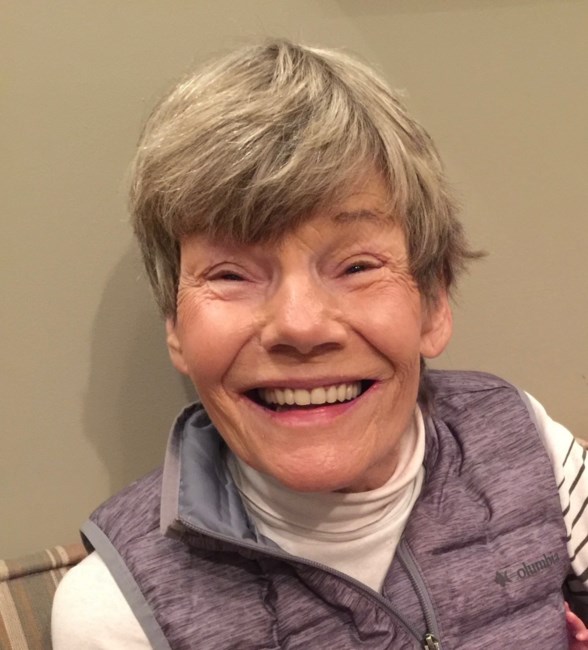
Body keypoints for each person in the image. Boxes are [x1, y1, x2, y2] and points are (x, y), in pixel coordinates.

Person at [52, 40, 588, 649]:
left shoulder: (524, 439)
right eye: (231, 274)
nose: (300, 325)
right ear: (175, 325)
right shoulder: (115, 614)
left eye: (357, 266)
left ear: (434, 302)